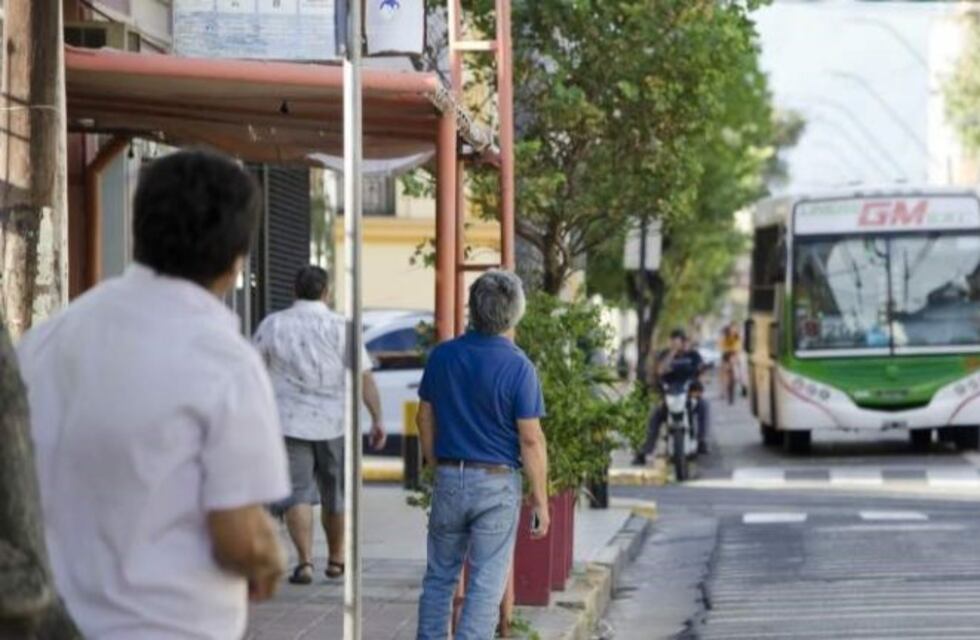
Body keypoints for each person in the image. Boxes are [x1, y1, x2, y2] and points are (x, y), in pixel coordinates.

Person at [16, 150, 290, 639]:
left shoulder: (50, 338)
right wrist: (270, 558)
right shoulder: (224, 360)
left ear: (138, 231)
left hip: (45, 623)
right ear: (236, 257)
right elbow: (239, 537)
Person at [415, 270, 549, 640]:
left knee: (439, 577)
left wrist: (433, 464)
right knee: (486, 584)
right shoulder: (519, 367)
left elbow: (423, 416)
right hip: (496, 482)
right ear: (515, 313)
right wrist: (540, 500)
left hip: (450, 476)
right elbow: (531, 439)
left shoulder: (442, 356)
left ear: (472, 309)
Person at [253, 265, 386, 584]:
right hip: (335, 422)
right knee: (335, 493)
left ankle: (305, 562)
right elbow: (364, 377)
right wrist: (377, 418)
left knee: (296, 494)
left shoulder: (273, 325)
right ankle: (337, 559)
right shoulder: (343, 327)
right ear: (326, 292)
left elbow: (252, 372)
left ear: (294, 290)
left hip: (288, 423)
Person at [633, 328, 710, 465]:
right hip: (669, 396)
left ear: (683, 341)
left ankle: (701, 441)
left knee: (704, 406)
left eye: (678, 341)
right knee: (655, 416)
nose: (675, 344)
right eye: (672, 341)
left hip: (689, 395)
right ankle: (645, 451)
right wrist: (672, 354)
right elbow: (660, 371)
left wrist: (700, 385)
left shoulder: (693, 355)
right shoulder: (665, 355)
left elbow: (702, 371)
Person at [720, 322, 746, 402]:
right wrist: (727, 351)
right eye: (732, 328)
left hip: (736, 355)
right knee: (724, 371)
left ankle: (743, 384)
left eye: (735, 328)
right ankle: (723, 391)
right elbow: (721, 347)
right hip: (726, 356)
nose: (733, 330)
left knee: (741, 366)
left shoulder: (738, 337)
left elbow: (740, 348)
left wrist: (736, 353)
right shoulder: (725, 337)